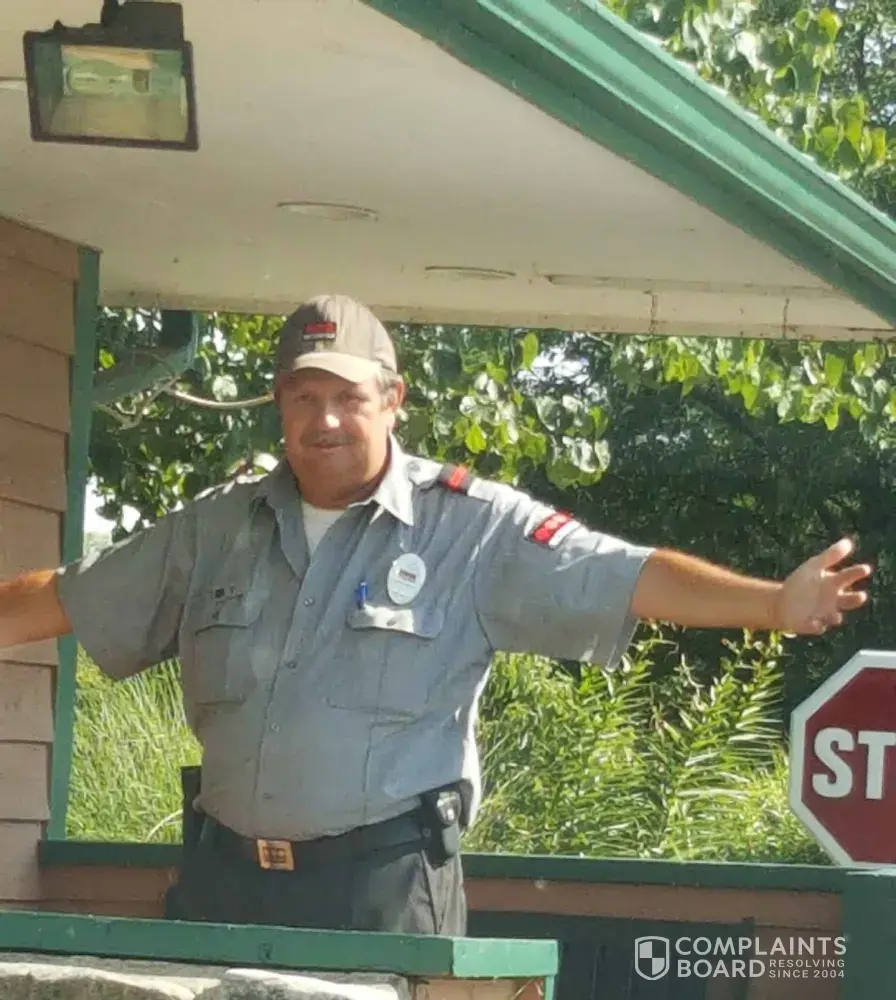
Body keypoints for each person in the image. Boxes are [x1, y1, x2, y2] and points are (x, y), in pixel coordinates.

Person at [0, 294, 872, 936]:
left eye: (349, 397)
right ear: (279, 405)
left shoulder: (472, 526)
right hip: (222, 884)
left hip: (378, 890)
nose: (325, 419)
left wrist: (771, 604)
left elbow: (624, 577)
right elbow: (68, 595)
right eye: (304, 396)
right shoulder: (214, 529)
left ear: (394, 399)